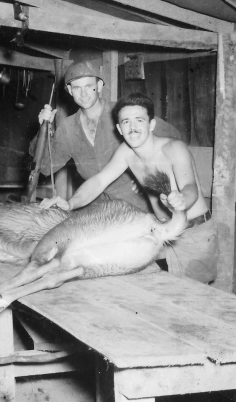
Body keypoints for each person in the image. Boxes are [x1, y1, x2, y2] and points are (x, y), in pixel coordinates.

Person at [40, 92, 218, 284]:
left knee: (189, 301)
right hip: (161, 232)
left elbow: (190, 187)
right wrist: (70, 203)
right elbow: (99, 181)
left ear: (151, 125)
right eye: (126, 122)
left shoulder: (174, 148)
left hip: (193, 234)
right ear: (119, 128)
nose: (133, 127)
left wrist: (181, 199)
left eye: (139, 120)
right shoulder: (126, 152)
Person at [30, 60, 182, 213]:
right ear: (70, 90)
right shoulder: (68, 128)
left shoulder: (123, 113)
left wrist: (149, 175)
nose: (83, 94)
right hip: (98, 209)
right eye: (77, 88)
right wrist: (44, 129)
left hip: (139, 206)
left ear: (100, 86)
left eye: (89, 86)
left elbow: (172, 138)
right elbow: (44, 167)